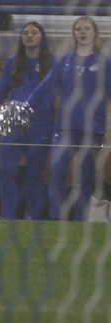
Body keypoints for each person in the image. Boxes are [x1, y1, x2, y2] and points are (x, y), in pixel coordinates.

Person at [28, 16, 111, 221]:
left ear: (95, 33)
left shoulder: (104, 62)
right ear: (74, 34)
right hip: (64, 128)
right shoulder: (64, 61)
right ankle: (57, 219)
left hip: (92, 129)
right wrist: (23, 106)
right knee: (57, 173)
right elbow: (44, 89)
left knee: (84, 179)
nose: (82, 32)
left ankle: (80, 221)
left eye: (87, 28)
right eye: (78, 29)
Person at [0, 21, 54, 220]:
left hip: (41, 121)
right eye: (25, 33)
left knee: (35, 174)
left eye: (34, 32)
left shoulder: (52, 63)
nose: (29, 36)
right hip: (13, 119)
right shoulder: (12, 62)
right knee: (7, 170)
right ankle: (8, 217)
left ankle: (32, 217)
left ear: (42, 37)